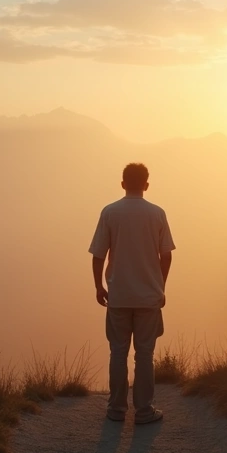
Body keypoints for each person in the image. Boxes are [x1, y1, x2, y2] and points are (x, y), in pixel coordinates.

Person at [88, 163, 175, 424]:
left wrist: (98, 286)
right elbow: (166, 256)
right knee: (145, 354)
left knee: (118, 352)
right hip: (149, 296)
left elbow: (98, 255)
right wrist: (160, 287)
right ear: (146, 185)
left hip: (119, 295)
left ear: (123, 183)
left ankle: (116, 409)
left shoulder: (110, 212)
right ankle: (144, 411)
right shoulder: (157, 214)